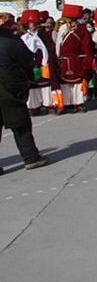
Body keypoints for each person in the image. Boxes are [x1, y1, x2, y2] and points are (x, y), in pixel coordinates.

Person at [0, 13, 49, 174]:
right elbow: (28, 59)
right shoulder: (12, 41)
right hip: (9, 85)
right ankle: (31, 158)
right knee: (20, 123)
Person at [19, 10, 59, 115]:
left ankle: (49, 104)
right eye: (31, 23)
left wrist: (46, 61)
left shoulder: (43, 34)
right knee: (33, 86)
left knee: (46, 85)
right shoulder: (23, 37)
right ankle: (34, 107)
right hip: (30, 63)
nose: (33, 25)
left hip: (43, 62)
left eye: (34, 23)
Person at [56, 3, 93, 113]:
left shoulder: (82, 28)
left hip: (77, 59)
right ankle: (67, 103)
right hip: (65, 59)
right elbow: (59, 43)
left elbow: (86, 44)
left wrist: (87, 57)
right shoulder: (63, 28)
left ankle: (79, 103)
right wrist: (58, 56)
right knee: (65, 83)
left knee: (78, 83)